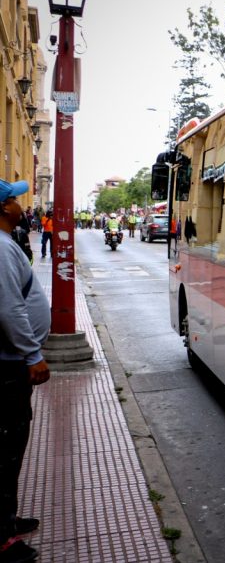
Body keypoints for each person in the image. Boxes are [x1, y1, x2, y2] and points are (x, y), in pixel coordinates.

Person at [0, 178, 50, 563]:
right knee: (5, 448)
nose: (22, 205)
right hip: (8, 367)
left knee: (10, 446)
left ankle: (7, 520)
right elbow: (10, 308)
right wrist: (32, 354)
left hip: (9, 363)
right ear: (4, 208)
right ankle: (3, 540)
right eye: (16, 199)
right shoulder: (1, 248)